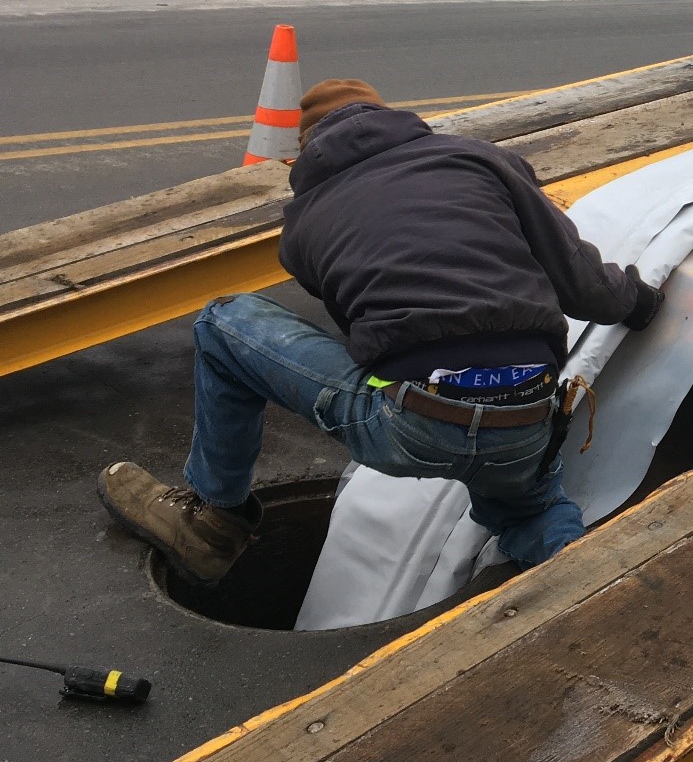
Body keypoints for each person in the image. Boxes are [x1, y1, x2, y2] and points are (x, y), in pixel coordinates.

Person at [98, 78, 663, 585]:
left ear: (308, 151)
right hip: (527, 417)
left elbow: (365, 331)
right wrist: (643, 302)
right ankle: (595, 590)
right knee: (530, 506)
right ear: (395, 119)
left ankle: (213, 521)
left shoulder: (303, 226)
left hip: (410, 422)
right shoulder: (480, 160)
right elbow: (587, 288)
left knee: (223, 323)